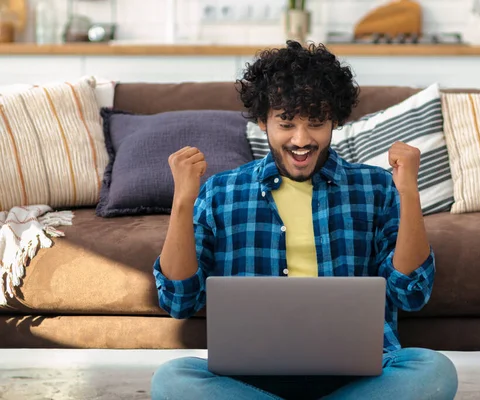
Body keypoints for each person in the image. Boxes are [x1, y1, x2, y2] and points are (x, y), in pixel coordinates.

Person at [150, 40, 458, 400]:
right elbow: (178, 300)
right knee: (173, 378)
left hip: (355, 377)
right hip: (251, 379)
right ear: (263, 121)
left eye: (315, 123)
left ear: (334, 121)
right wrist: (183, 201)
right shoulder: (221, 192)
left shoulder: (375, 187)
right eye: (286, 124)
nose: (301, 139)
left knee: (433, 371)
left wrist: (409, 193)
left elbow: (411, 293)